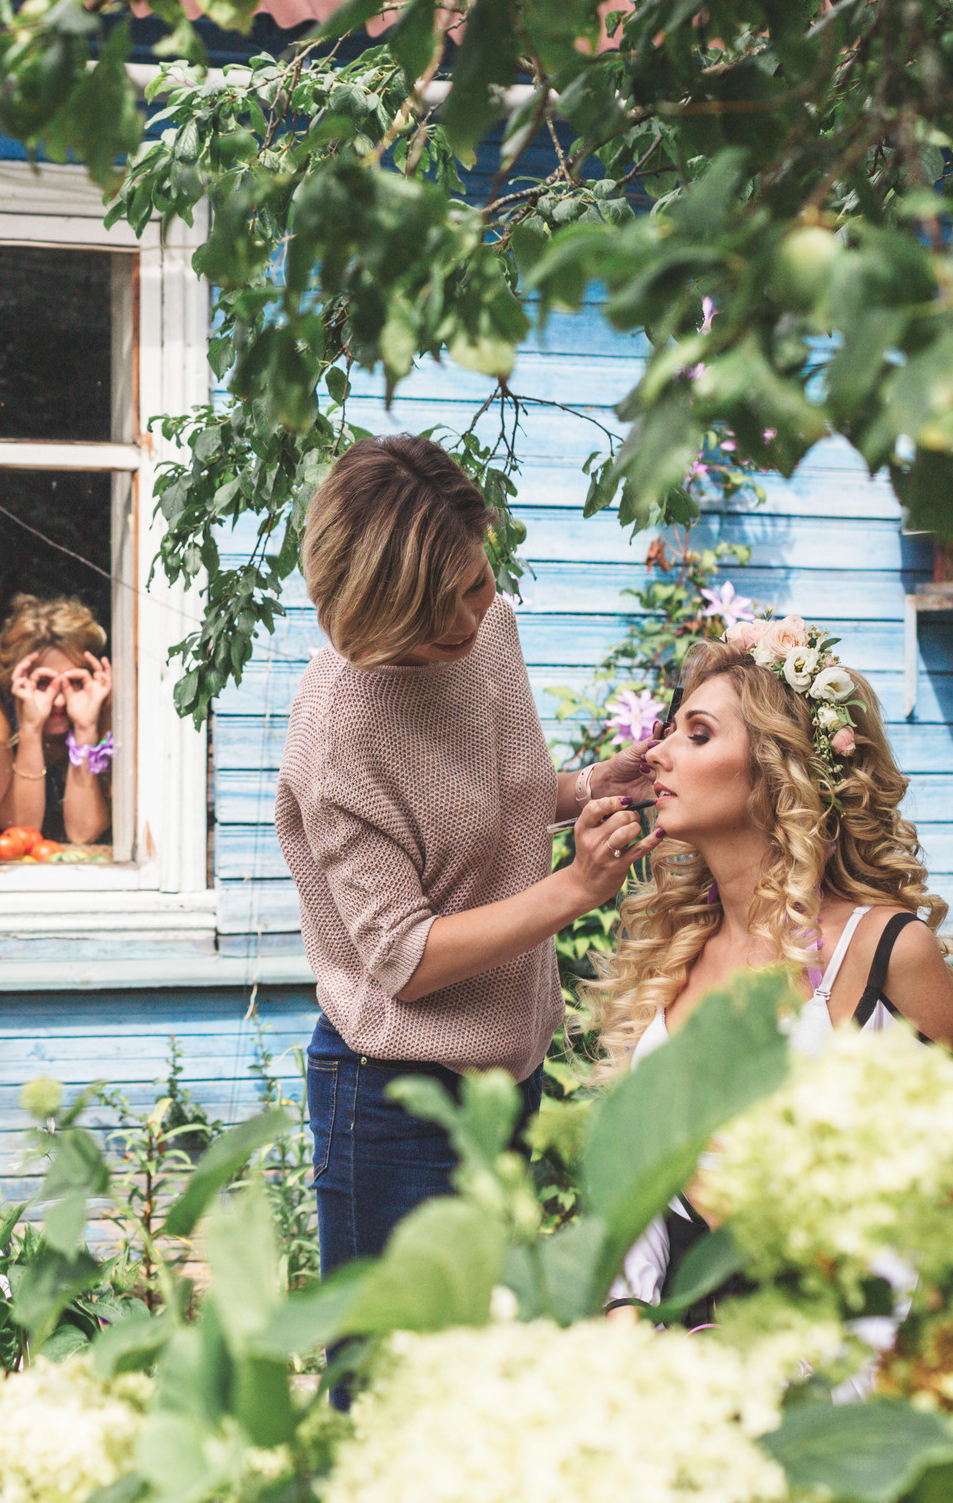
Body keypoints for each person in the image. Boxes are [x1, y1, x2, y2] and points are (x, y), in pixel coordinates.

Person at [275, 434, 657, 1291]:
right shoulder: (342, 733)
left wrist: (590, 782)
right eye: (431, 610)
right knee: (389, 1387)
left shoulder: (490, 628)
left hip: (506, 1076)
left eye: (475, 582)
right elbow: (405, 960)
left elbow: (487, 800)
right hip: (397, 1104)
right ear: (369, 610)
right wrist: (575, 888)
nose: (465, 620)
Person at [593, 624, 953, 1322]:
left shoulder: (886, 952)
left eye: (698, 733)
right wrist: (626, 1321)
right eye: (671, 729)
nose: (658, 753)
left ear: (774, 769)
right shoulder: (672, 955)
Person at [0, 594, 114, 846]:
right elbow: (22, 829)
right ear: (16, 680)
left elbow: (83, 834)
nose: (59, 701)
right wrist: (30, 730)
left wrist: (85, 729)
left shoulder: (106, 707)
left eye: (74, 682)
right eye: (43, 683)